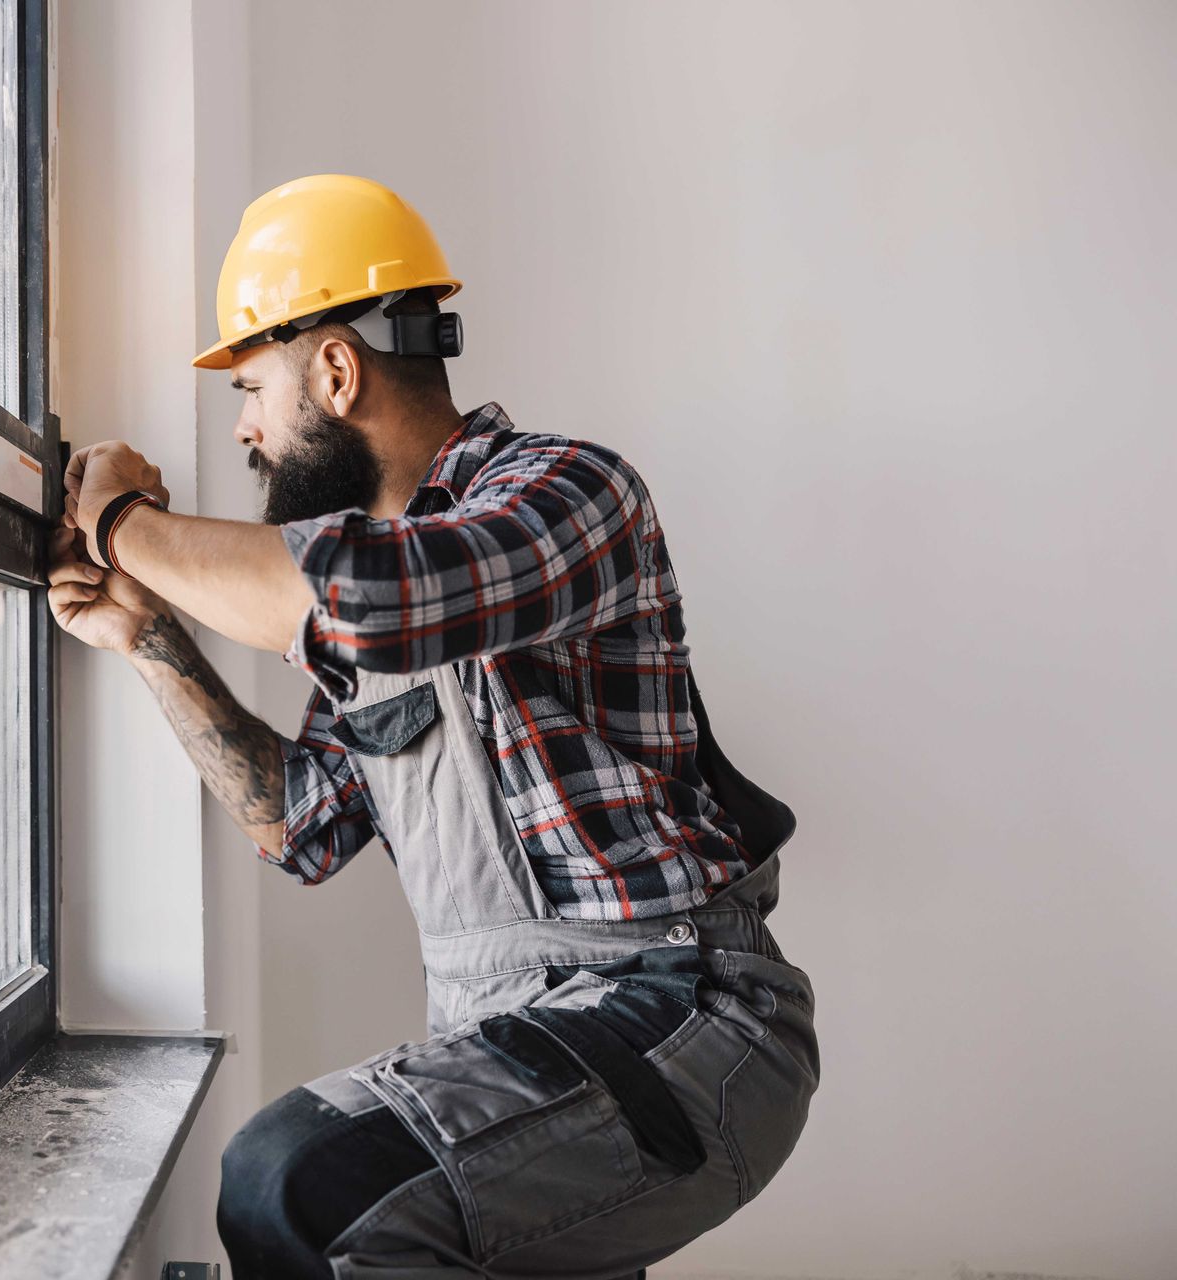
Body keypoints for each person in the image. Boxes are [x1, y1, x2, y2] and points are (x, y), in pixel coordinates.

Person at [48, 174, 820, 1278]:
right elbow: (299, 825)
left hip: (681, 1009)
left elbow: (374, 598)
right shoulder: (373, 605)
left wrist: (121, 520)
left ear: (334, 367)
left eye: (254, 386)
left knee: (295, 1182)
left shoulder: (570, 491)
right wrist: (149, 640)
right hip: (521, 1049)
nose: (247, 430)